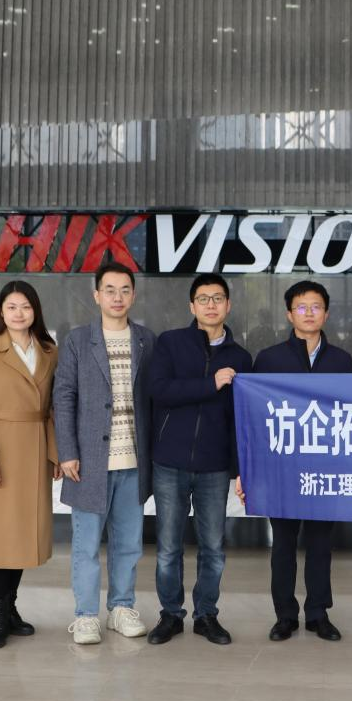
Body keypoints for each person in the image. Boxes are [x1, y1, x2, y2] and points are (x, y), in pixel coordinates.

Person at [53, 262, 157, 645]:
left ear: (134, 295)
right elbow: (63, 396)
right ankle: (85, 616)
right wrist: (67, 451)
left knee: (129, 544)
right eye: (109, 290)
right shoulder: (78, 340)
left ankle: (121, 608)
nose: (117, 297)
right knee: (86, 546)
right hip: (89, 463)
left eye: (125, 290)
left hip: (134, 461)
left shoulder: (146, 340)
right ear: (96, 295)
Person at [146, 273, 252, 646]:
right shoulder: (171, 342)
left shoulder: (241, 358)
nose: (211, 305)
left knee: (213, 549)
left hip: (214, 467)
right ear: (192, 306)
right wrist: (211, 383)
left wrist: (241, 470)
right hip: (169, 462)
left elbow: (241, 420)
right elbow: (159, 390)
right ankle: (170, 615)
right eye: (203, 299)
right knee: (168, 548)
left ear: (228, 305)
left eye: (217, 298)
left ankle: (206, 615)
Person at [247, 280, 352, 643]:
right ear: (289, 314)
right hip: (281, 469)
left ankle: (318, 612)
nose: (309, 313)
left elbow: (350, 414)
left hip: (325, 467)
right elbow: (256, 417)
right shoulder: (269, 359)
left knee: (321, 544)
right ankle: (285, 615)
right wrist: (253, 470)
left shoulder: (341, 360)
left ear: (326, 313)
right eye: (301, 307)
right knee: (283, 544)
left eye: (316, 307)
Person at [0, 280, 62, 650]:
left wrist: (54, 452)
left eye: (25, 306)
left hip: (34, 450)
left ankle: (10, 608)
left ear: (35, 310)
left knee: (22, 532)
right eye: (11, 307)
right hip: (1, 451)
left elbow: (53, 407)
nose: (19, 314)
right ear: (0, 312)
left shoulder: (49, 350)